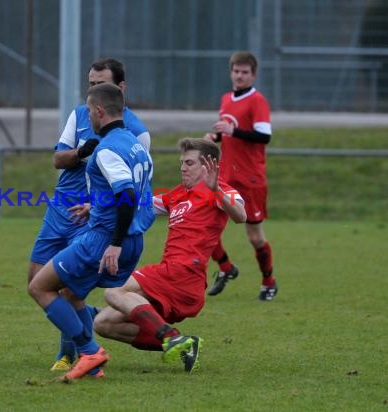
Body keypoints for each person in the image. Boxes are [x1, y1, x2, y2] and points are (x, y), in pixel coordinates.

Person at [28, 58, 151, 372]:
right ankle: (89, 352)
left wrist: (115, 239)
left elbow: (130, 194)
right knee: (57, 286)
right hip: (85, 217)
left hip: (101, 231)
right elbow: (61, 160)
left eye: (98, 88)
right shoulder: (125, 143)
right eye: (90, 85)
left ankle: (84, 351)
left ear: (101, 109)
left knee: (48, 288)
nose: (91, 94)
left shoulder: (118, 144)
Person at [93, 137, 246, 373]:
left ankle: (170, 335)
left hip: (185, 273)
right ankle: (184, 345)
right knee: (103, 323)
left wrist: (217, 191)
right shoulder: (177, 194)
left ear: (209, 164)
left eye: (189, 163)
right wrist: (92, 204)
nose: (183, 168)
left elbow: (240, 215)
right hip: (172, 278)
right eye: (181, 163)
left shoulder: (221, 189)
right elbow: (137, 203)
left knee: (114, 291)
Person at [204, 51, 278, 301]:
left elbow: (264, 135)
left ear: (253, 75)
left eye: (245, 72)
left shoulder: (258, 101)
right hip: (225, 176)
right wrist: (214, 137)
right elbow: (226, 132)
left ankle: (269, 282)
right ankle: (226, 267)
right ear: (231, 72)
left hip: (251, 179)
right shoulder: (226, 98)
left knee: (254, 236)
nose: (239, 75)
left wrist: (232, 130)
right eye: (236, 71)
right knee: (204, 224)